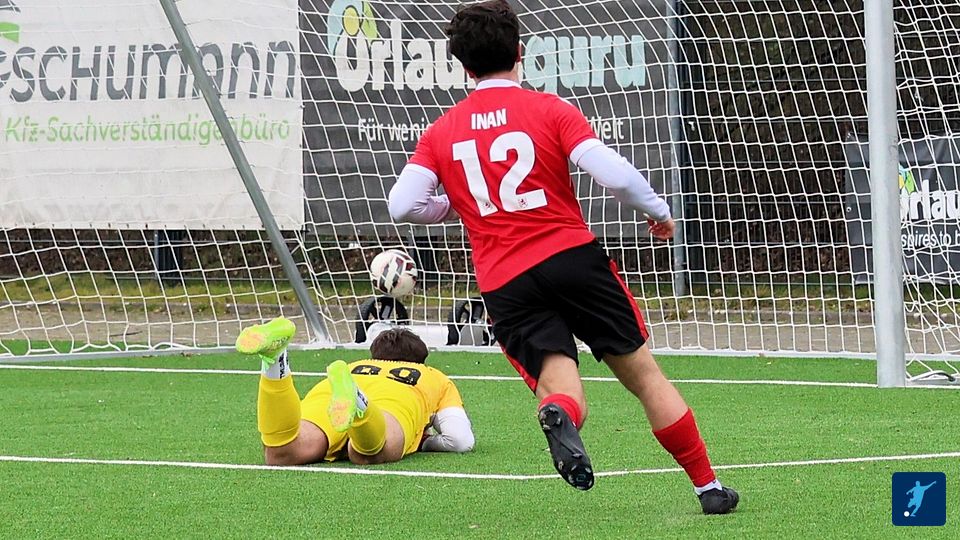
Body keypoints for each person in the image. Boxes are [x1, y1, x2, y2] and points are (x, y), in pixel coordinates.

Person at [387, 0, 738, 514]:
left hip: (506, 280)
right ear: (520, 52)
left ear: (463, 67)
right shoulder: (549, 109)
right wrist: (659, 212)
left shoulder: (443, 131)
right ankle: (708, 488)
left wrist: (455, 204)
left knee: (561, 387)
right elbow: (614, 175)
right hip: (572, 259)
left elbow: (403, 205)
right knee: (645, 378)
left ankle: (559, 413)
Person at [236, 318, 474, 465]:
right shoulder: (432, 376)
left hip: (328, 394)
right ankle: (360, 404)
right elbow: (460, 439)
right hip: (394, 402)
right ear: (420, 361)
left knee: (282, 452)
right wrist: (425, 442)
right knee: (368, 453)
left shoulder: (353, 366)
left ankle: (276, 360)